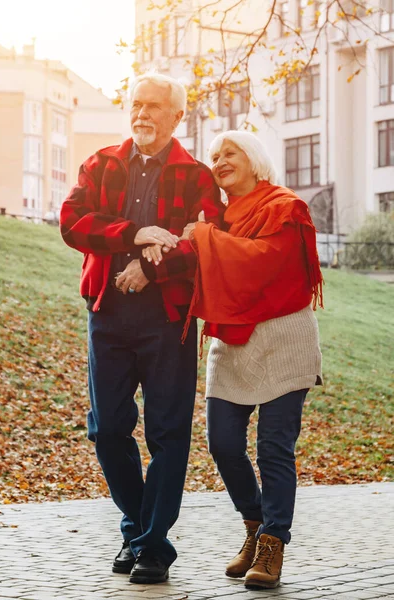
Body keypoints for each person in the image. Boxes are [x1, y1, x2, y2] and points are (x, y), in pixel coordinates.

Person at [60, 73, 224, 585]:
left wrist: (152, 265)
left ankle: (151, 545)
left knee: (168, 432)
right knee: (107, 427)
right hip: (107, 314)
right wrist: (133, 234)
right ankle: (138, 529)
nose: (143, 114)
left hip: (169, 320)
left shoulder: (196, 176)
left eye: (155, 106)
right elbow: (71, 221)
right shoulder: (102, 164)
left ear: (178, 116)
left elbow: (209, 240)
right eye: (136, 104)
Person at [143, 130, 323, 590]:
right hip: (231, 339)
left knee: (274, 449)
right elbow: (186, 254)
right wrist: (141, 265)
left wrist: (202, 236)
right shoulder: (217, 219)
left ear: (254, 158)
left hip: (284, 339)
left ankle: (272, 545)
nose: (219, 160)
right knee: (223, 443)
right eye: (214, 156)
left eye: (230, 153)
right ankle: (255, 524)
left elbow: (263, 263)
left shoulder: (286, 207)